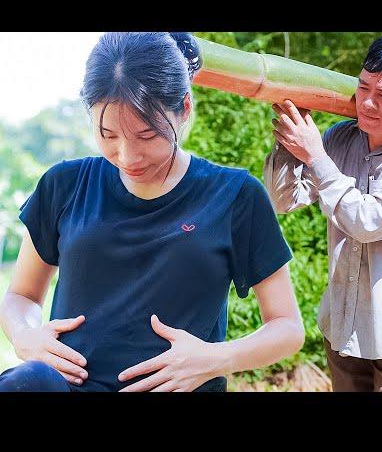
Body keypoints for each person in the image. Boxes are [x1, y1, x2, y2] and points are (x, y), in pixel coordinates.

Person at [0, 32, 305, 392]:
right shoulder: (63, 184)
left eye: (146, 135)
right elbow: (20, 296)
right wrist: (25, 336)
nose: (128, 156)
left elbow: (287, 326)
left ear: (184, 109)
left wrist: (217, 358)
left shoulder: (235, 195)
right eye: (108, 135)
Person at [263, 33, 382, 391]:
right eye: (363, 88)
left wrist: (315, 156)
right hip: (343, 329)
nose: (367, 103)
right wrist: (292, 143)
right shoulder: (339, 137)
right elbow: (284, 201)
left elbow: (368, 221)